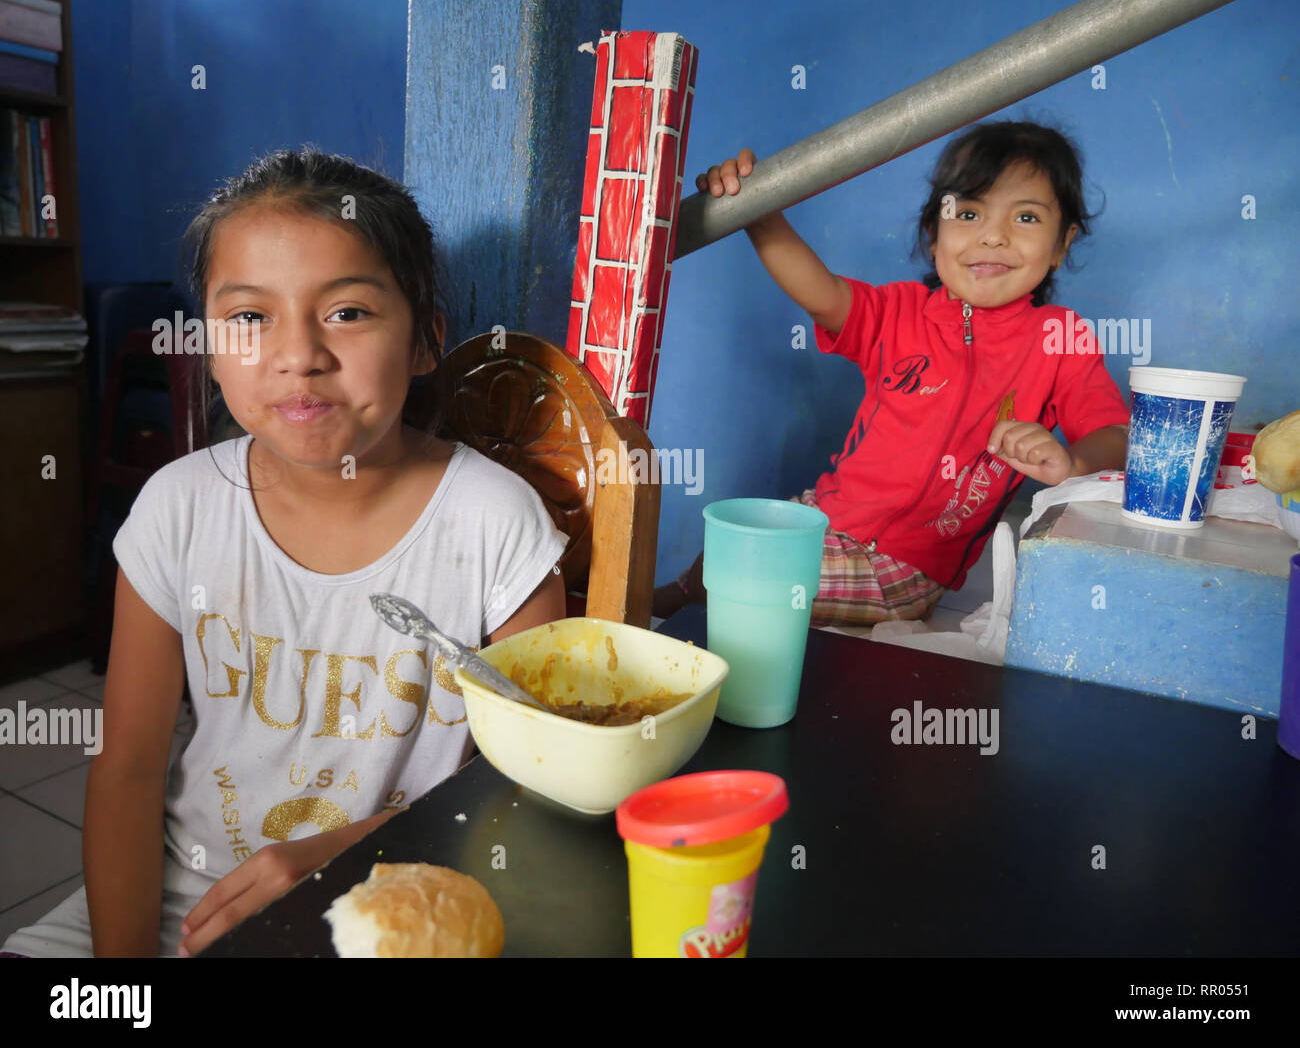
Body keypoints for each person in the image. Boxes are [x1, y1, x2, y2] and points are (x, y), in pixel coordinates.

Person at [2, 148, 567, 958]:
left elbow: (533, 781)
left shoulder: (493, 522)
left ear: (423, 340)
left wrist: (341, 853)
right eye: (250, 316)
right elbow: (127, 770)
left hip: (394, 902)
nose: (297, 354)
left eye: (347, 312)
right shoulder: (179, 509)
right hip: (180, 899)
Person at [654, 121, 1130, 626]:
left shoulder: (1059, 338)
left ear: (1062, 244)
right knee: (728, 543)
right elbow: (821, 293)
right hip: (825, 518)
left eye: (1027, 217)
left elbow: (1116, 434)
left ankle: (664, 608)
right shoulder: (898, 311)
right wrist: (757, 212)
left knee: (750, 572)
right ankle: (655, 604)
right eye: (967, 213)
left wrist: (1071, 463)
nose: (993, 235)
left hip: (904, 567)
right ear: (933, 234)